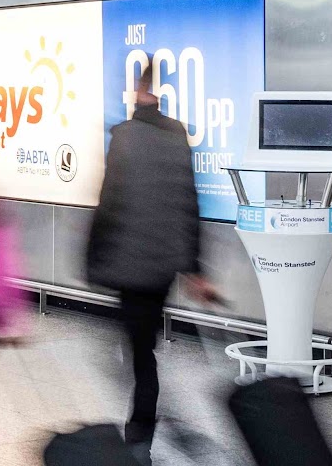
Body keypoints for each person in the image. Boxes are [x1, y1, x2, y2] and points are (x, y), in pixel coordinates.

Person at [85, 60, 215, 451]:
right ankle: (145, 418)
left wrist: (92, 258)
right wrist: (193, 266)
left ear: (137, 97)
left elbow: (109, 202)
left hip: (127, 263)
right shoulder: (177, 135)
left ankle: (141, 429)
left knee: (139, 350)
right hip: (162, 266)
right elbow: (188, 202)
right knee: (143, 346)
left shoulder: (123, 136)